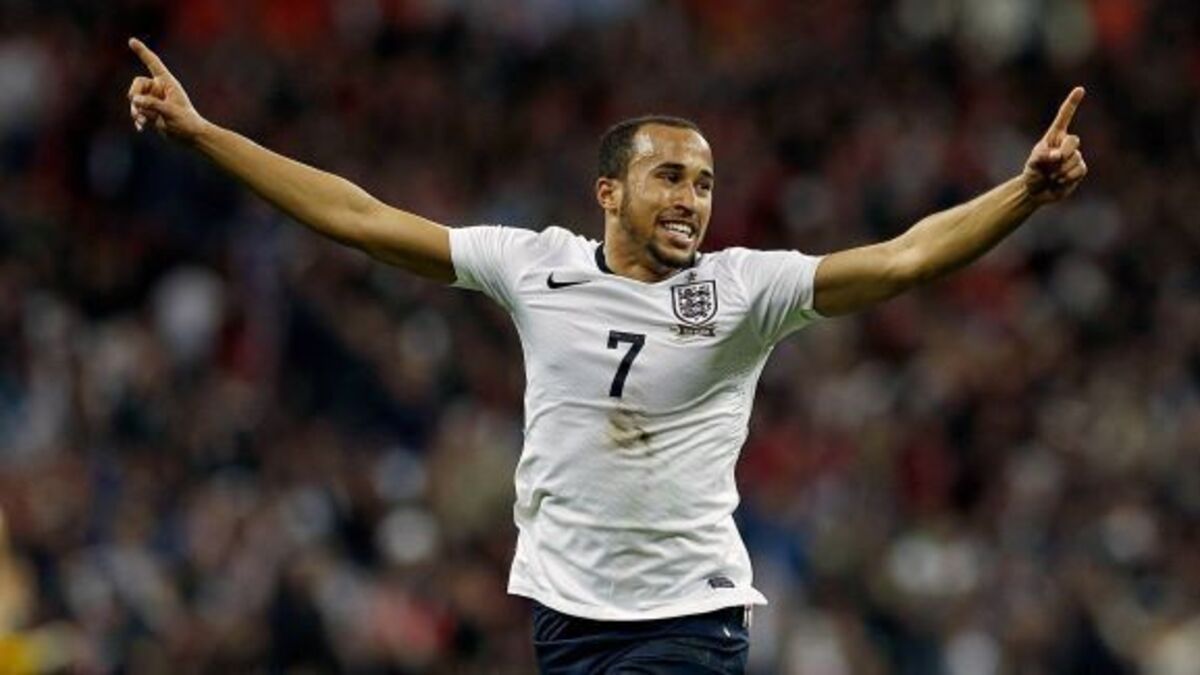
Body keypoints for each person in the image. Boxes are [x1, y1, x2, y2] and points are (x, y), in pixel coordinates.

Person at [126, 37, 1087, 673]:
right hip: (566, 614)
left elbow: (905, 257)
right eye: (669, 176)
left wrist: (1023, 194)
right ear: (608, 193)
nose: (692, 199)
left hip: (688, 618)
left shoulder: (745, 288)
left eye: (704, 183)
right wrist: (204, 135)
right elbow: (360, 217)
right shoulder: (533, 265)